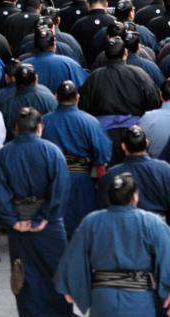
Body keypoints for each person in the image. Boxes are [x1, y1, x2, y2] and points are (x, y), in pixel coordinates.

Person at [54, 172, 170, 317]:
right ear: (135, 196)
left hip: (103, 299)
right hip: (139, 299)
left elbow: (74, 257)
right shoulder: (152, 222)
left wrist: (70, 286)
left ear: (108, 197)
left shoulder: (91, 222)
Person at [0, 107, 73, 317]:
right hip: (49, 224)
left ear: (16, 128)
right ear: (40, 127)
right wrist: (45, 216)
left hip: (19, 224)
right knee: (56, 271)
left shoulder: (4, 154)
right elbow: (60, 188)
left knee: (25, 275)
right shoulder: (52, 151)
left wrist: (13, 220)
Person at [41, 80, 113, 237]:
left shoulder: (45, 121)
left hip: (52, 177)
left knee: (54, 222)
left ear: (56, 97)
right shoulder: (90, 121)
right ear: (78, 97)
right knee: (81, 224)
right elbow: (103, 152)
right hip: (81, 178)